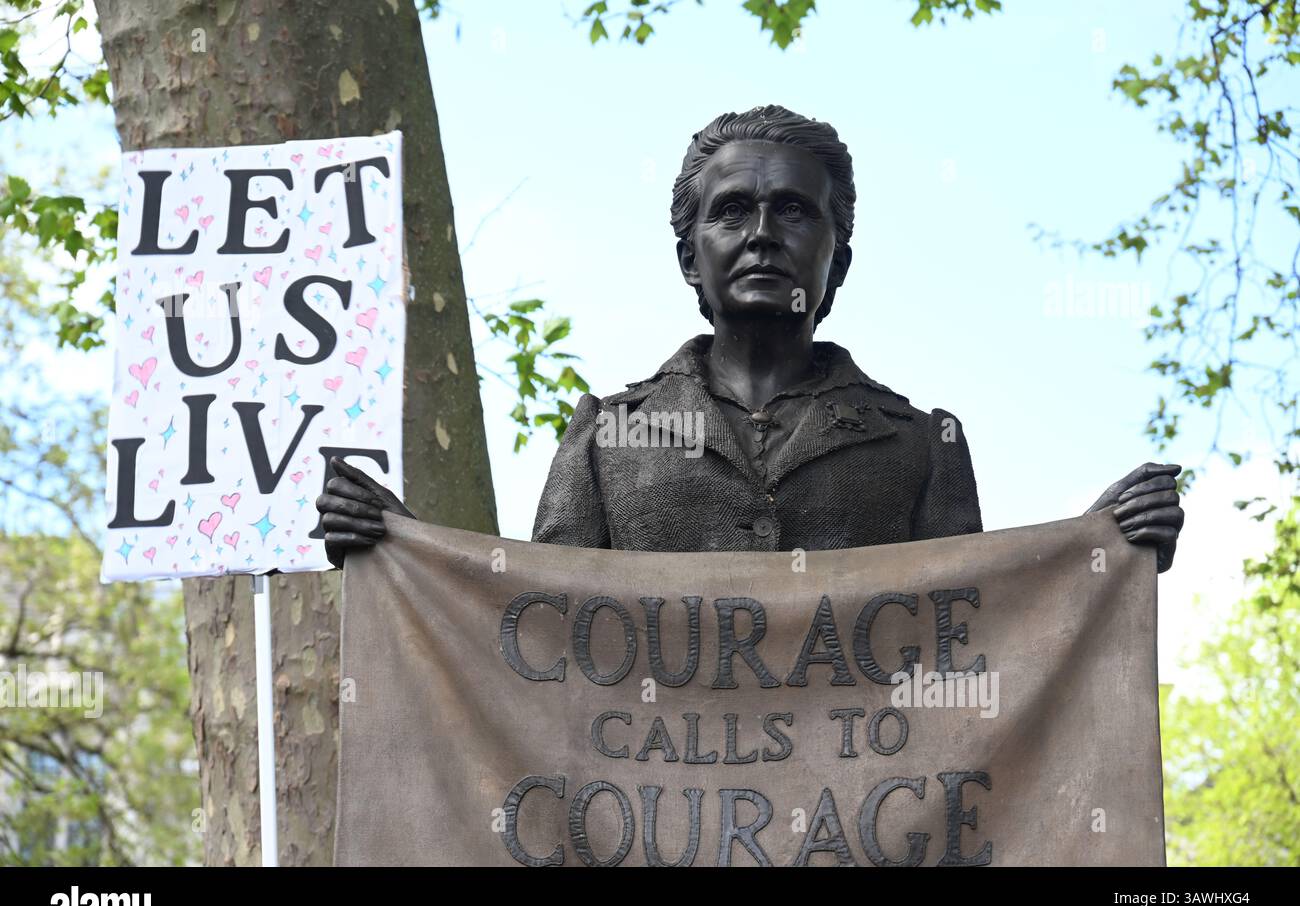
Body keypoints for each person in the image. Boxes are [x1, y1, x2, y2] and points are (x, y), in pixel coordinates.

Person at [317, 106, 1184, 571]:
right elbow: (540, 638)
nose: (763, 234)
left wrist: (1094, 554)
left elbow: (974, 637)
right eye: (733, 212)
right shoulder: (602, 441)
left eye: (794, 212)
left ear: (835, 255)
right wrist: (412, 557)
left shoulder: (923, 447)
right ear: (691, 258)